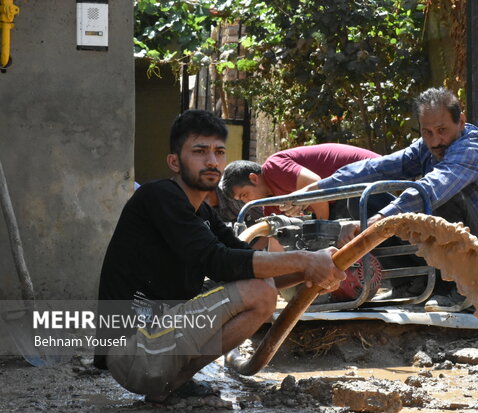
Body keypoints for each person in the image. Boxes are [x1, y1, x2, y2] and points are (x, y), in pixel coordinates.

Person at [94, 110, 346, 406]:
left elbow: (242, 260)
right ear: (174, 162)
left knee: (259, 287)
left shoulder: (201, 212)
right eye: (199, 152)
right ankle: (170, 385)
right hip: (133, 352)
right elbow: (219, 261)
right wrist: (305, 259)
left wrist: (312, 271)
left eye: (219, 152)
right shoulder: (159, 196)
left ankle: (171, 385)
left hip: (158, 345)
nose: (212, 161)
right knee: (260, 293)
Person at [290, 87, 478, 311]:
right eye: (427, 132)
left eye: (442, 130)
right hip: (448, 242)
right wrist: (317, 188)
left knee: (442, 197)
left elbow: (430, 189)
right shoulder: (426, 148)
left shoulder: (472, 150)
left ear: (461, 122)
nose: (436, 140)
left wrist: (375, 222)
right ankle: (410, 283)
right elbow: (378, 168)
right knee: (363, 200)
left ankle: (459, 290)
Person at [220, 143, 380, 220]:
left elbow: (316, 185)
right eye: (242, 200)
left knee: (332, 235)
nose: (248, 201)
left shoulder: (274, 167)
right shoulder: (270, 204)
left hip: (369, 173)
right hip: (344, 193)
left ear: (253, 178)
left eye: (245, 194)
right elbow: (275, 240)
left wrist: (321, 229)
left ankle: (403, 283)